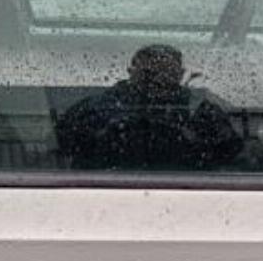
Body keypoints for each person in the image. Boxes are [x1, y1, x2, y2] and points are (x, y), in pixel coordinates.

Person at [57, 44, 242, 171]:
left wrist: (193, 139)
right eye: (149, 74)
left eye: (166, 74)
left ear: (180, 74)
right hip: (100, 186)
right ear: (131, 72)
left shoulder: (203, 111)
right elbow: (62, 144)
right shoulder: (96, 108)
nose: (157, 80)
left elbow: (230, 152)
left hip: (189, 189)